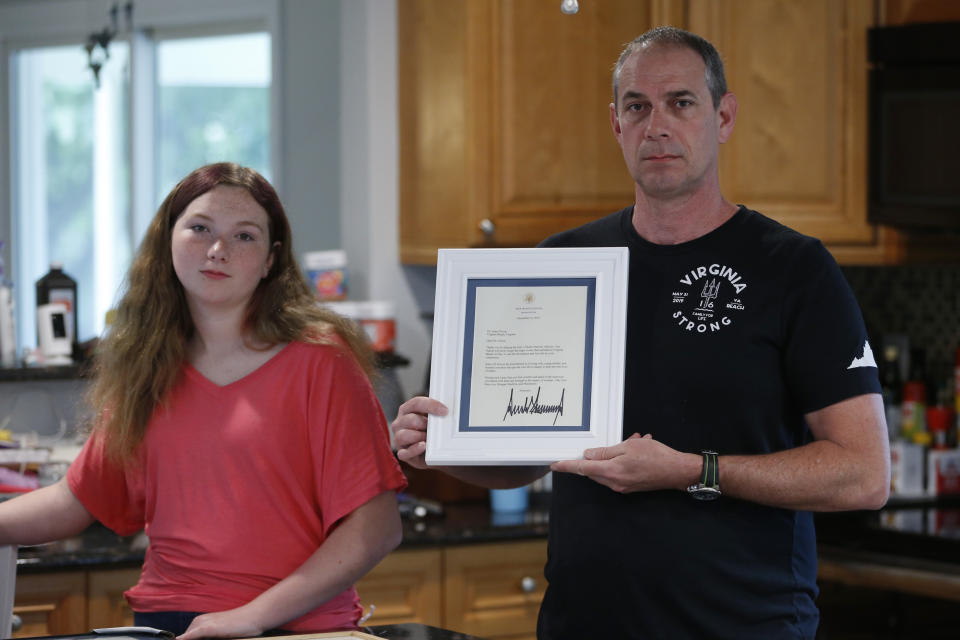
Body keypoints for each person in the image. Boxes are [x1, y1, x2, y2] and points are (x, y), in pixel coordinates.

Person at [392, 26, 890, 639]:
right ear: (616, 124)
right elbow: (534, 456)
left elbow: (863, 474)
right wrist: (447, 446)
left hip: (742, 624)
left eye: (681, 102)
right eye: (637, 105)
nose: (657, 124)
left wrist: (690, 470)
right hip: (584, 622)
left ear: (724, 116)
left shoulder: (793, 269)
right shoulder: (563, 266)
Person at [0, 163, 407, 638]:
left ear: (272, 259)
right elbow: (77, 499)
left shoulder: (321, 360)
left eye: (245, 236)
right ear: (168, 239)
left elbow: (377, 528)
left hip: (296, 626)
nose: (218, 250)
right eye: (199, 228)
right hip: (169, 622)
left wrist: (249, 618)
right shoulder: (147, 366)